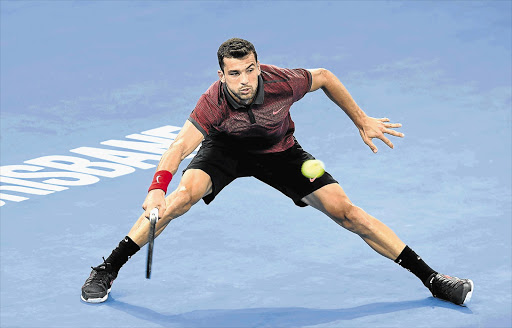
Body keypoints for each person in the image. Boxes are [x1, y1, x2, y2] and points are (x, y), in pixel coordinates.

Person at [81, 38, 473, 306]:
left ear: (257, 66)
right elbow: (179, 147)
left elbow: (324, 76)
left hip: (280, 151)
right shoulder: (212, 104)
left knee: (346, 211)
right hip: (225, 150)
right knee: (182, 196)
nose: (245, 80)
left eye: (249, 70)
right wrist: (156, 188)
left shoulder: (282, 81)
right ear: (222, 76)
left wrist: (360, 119)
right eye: (234, 74)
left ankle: (433, 279)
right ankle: (108, 268)